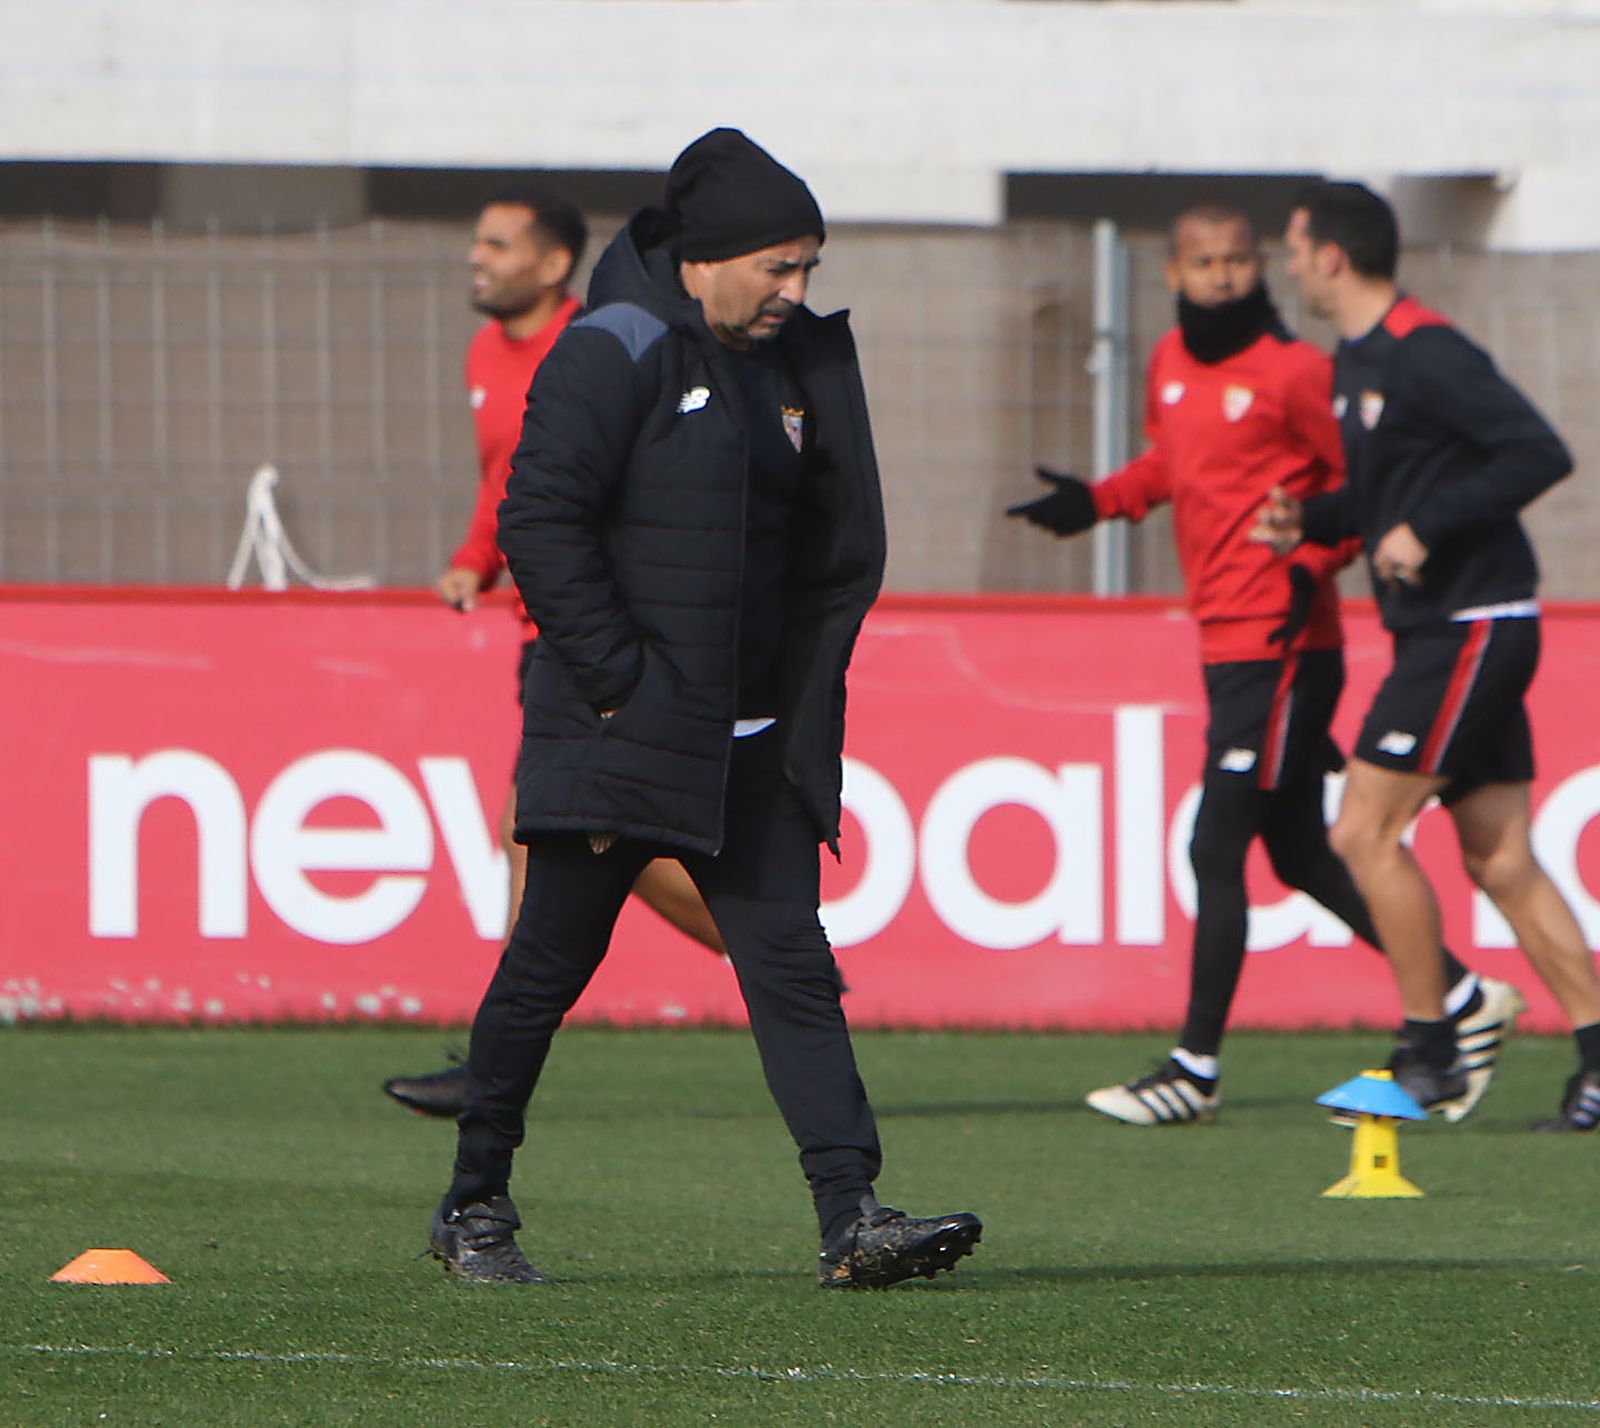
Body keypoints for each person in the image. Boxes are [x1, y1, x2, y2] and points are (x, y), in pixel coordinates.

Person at [425, 128, 983, 1286]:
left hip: (747, 745)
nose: (795, 292)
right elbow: (540, 526)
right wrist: (624, 685)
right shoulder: (610, 347)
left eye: (807, 270)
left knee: (790, 966)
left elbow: (825, 557)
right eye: (777, 268)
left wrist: (794, 708)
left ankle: (850, 1214)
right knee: (544, 972)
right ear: (704, 259)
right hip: (620, 736)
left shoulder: (792, 367)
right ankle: (474, 1202)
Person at [1009, 203, 1518, 1127]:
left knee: (1215, 843)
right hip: (1225, 640)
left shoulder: (1296, 372)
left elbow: (1359, 496)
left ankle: (1194, 1069)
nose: (1224, 276)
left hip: (1283, 642)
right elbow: (1176, 465)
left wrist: (1308, 567)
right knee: (1296, 854)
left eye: (1240, 260)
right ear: (1172, 274)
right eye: (1205, 262)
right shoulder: (1168, 364)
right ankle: (1457, 995)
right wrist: (1100, 502)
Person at [1256, 180, 1600, 1131]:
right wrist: (1313, 522)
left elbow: (1537, 451)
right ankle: (1597, 1060)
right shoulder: (1356, 361)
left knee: (1362, 834)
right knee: (1499, 859)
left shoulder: (1427, 351)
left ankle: (1435, 1048)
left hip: (1470, 623)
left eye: (1293, 246)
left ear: (1331, 254)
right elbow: (1380, 500)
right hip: (1447, 624)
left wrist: (1427, 526)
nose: (1288, 265)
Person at [382, 190, 727, 1119]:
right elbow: (512, 481)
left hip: (595, 633)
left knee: (541, 830)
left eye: (497, 244)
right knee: (569, 837)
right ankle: (770, 946)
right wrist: (472, 560)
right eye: (476, 239)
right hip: (540, 628)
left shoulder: (600, 345)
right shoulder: (485, 354)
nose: (476, 257)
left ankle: (493, 1072)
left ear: (554, 265)